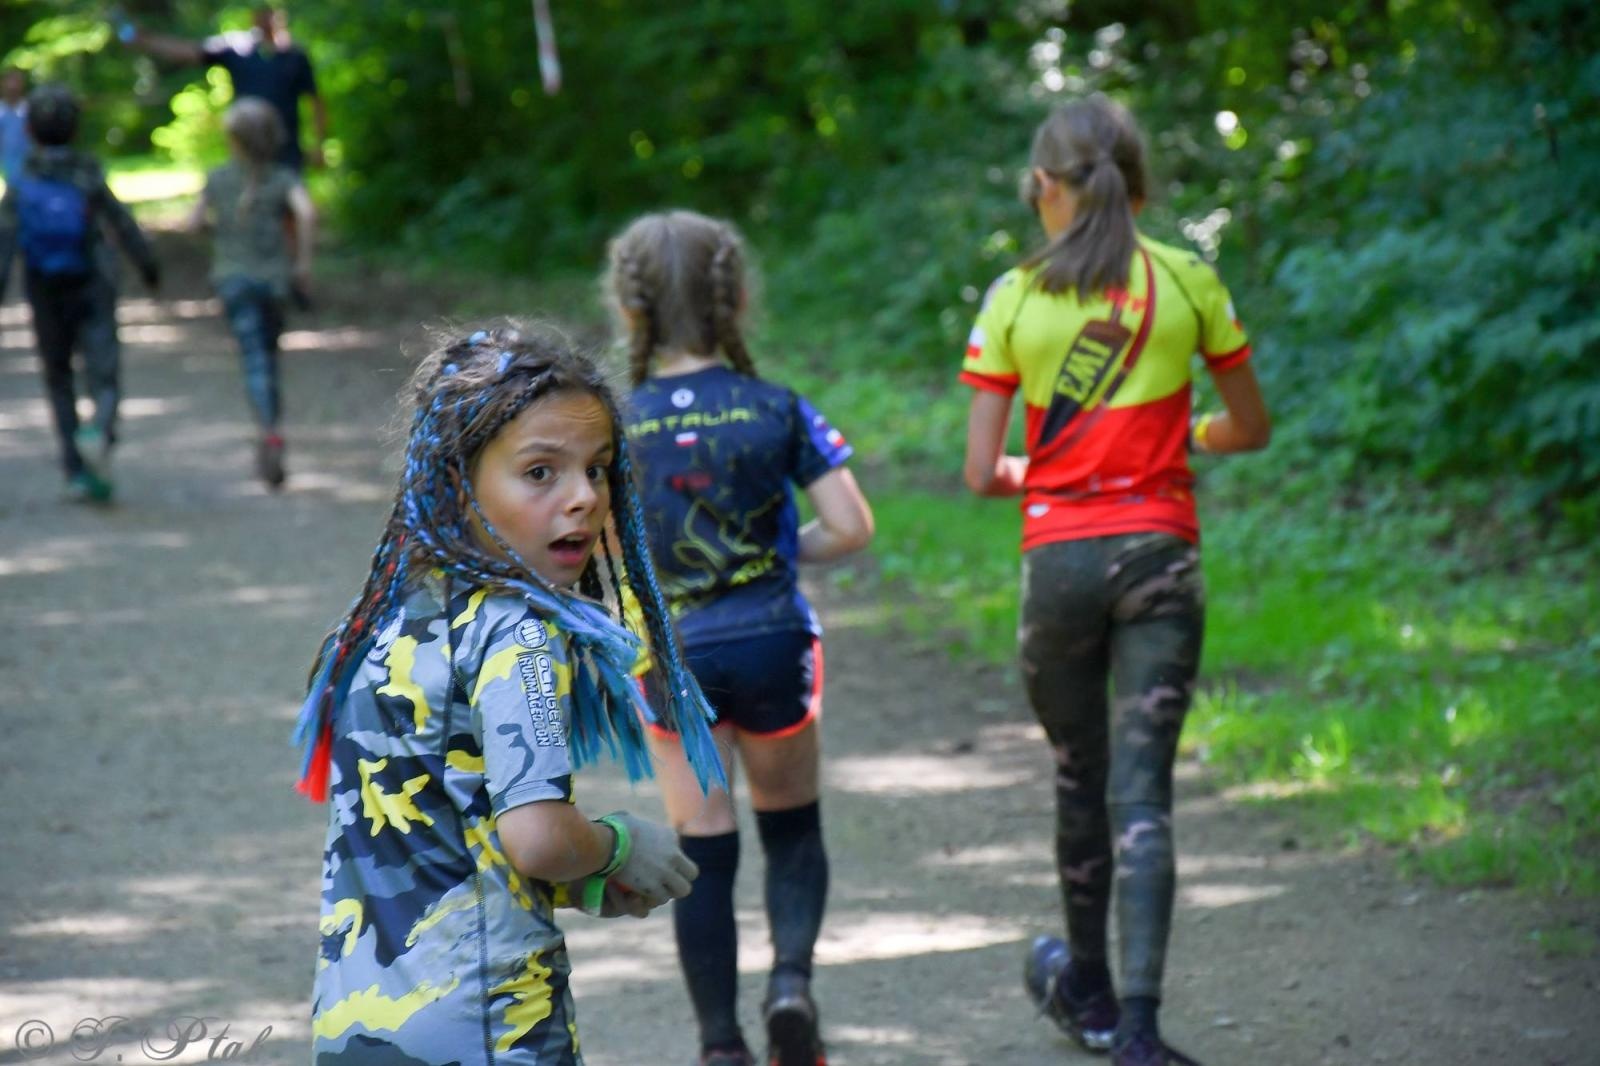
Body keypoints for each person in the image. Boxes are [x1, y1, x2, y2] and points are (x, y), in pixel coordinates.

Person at [292, 325, 727, 1064]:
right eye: (540, 472)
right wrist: (618, 847)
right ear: (456, 481)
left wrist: (581, 884)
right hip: (490, 1025)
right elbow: (539, 838)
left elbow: (437, 839)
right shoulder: (517, 634)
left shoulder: (382, 622)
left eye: (598, 469)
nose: (583, 497)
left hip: (359, 1028)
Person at [960, 96, 1270, 1066]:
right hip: (1159, 558)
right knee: (1142, 795)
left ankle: (1085, 990)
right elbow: (1248, 426)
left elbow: (983, 472)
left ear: (1043, 188)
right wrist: (1183, 439)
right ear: (1137, 186)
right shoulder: (1186, 280)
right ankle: (1138, 1028)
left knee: (1077, 777)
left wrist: (1053, 472)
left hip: (1058, 563)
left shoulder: (1014, 296)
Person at [608, 211, 875, 1066]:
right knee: (792, 829)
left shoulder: (612, 424)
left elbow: (592, 545)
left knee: (703, 849)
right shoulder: (776, 407)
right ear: (736, 299)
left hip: (674, 657)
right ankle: (790, 987)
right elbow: (852, 526)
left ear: (631, 307)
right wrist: (782, 554)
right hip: (773, 640)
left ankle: (721, 1045)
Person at [0, 83, 160, 504]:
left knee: (58, 375)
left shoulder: (23, 178)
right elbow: (121, 221)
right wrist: (148, 267)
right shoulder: (87, 172)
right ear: (75, 127)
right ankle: (100, 432)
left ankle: (74, 469)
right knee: (103, 370)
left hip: (44, 287)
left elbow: (5, 242)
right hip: (92, 282)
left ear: (30, 129)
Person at [188, 97, 314, 488]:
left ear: (233, 140)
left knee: (253, 358)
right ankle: (271, 427)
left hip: (233, 281)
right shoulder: (283, 178)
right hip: (273, 282)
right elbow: (306, 213)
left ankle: (268, 430)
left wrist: (219, 233)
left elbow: (193, 222)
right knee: (269, 356)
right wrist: (302, 264)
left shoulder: (218, 178)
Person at [121, 4, 327, 171]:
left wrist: (319, 145)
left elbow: (316, 102)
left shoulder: (295, 56)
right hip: (246, 149)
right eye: (260, 11)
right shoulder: (238, 48)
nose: (265, 17)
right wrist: (147, 41)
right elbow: (190, 51)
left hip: (286, 149)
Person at [0, 68, 28, 183]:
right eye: (9, 81)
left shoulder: (29, 112)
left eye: (16, 82)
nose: (12, 86)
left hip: (26, 172)